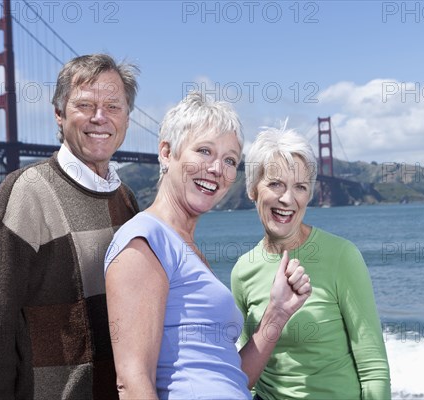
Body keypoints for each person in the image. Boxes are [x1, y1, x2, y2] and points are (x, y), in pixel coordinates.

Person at [104, 92, 312, 399]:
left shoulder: (187, 249)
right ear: (166, 152)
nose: (217, 168)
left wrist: (277, 314)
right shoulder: (145, 241)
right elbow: (133, 381)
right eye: (204, 151)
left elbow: (230, 377)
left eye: (230, 160)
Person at [0, 54, 140, 399]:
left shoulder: (126, 200)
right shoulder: (24, 192)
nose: (100, 118)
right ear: (59, 113)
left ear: (128, 118)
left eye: (114, 106)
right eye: (85, 105)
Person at [231, 127, 391, 399]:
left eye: (300, 187)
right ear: (252, 190)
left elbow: (373, 369)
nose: (288, 199)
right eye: (275, 184)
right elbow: (244, 376)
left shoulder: (342, 256)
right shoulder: (243, 271)